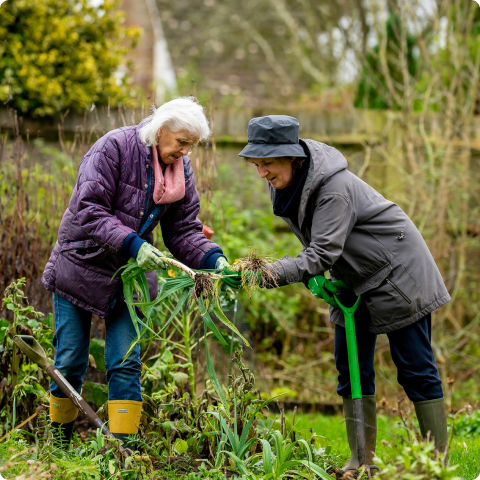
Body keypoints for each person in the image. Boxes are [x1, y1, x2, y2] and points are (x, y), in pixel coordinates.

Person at [228, 115, 450, 467]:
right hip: (353, 279)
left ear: (292, 157)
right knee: (350, 368)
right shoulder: (287, 184)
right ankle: (361, 461)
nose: (262, 173)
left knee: (414, 368)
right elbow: (321, 246)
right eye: (256, 164)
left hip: (399, 274)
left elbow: (321, 252)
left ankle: (436, 463)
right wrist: (312, 274)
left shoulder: (333, 188)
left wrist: (270, 272)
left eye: (267, 163)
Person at [42, 97, 231, 446]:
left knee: (125, 362)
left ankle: (120, 452)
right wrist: (134, 243)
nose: (185, 153)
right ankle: (60, 444)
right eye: (181, 143)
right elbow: (89, 207)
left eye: (191, 146)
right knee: (69, 359)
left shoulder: (180, 171)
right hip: (81, 264)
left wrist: (214, 259)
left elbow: (183, 231)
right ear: (161, 131)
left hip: (130, 276)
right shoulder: (113, 148)